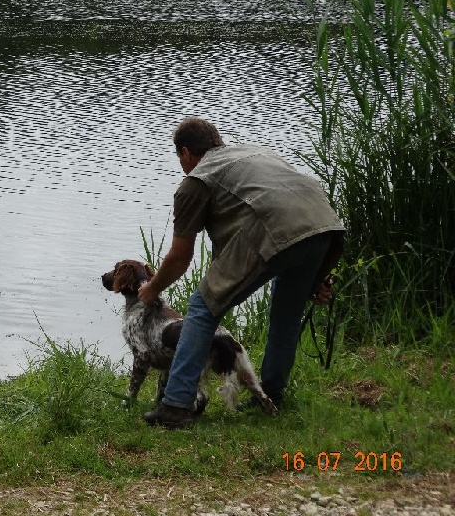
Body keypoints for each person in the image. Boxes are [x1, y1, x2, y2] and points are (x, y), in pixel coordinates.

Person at [137, 117, 345, 428]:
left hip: (276, 231)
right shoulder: (256, 153)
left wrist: (152, 289)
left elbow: (180, 258)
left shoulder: (195, 181)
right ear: (216, 143)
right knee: (286, 315)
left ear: (185, 153)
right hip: (326, 229)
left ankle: (176, 405)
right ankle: (271, 395)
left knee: (201, 309)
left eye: (180, 158)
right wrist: (318, 275)